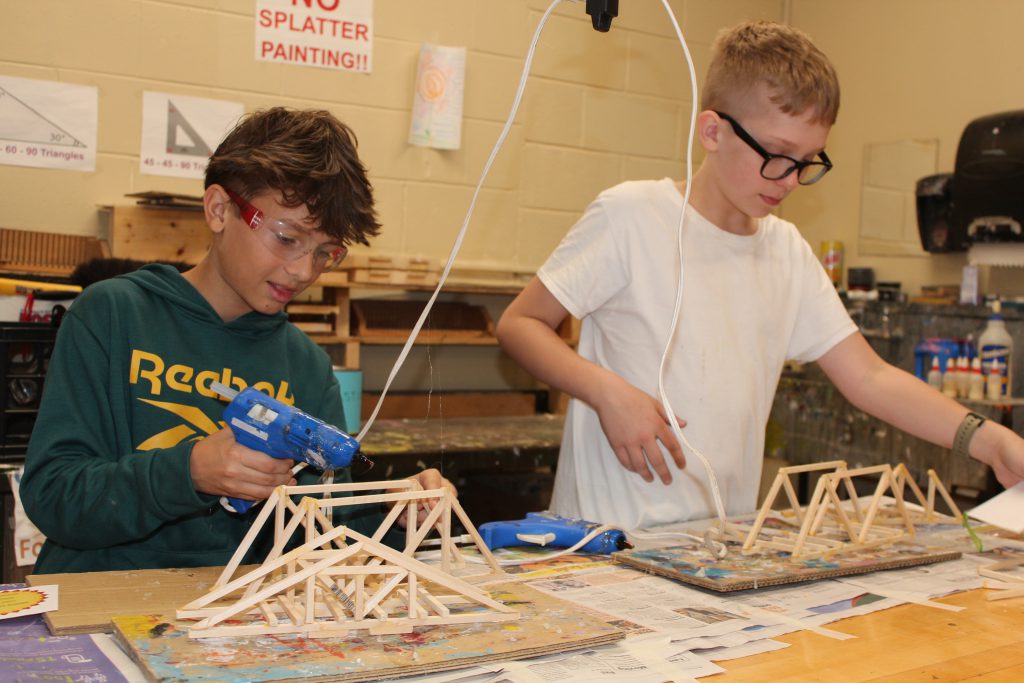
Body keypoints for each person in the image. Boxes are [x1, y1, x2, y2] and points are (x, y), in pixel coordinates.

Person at [496, 20, 1024, 531]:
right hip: (604, 540)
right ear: (713, 131)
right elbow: (520, 324)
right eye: (777, 155)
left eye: (808, 161)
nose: (791, 179)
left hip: (714, 551)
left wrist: (990, 440)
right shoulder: (630, 216)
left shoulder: (786, 253)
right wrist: (607, 392)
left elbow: (871, 378)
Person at [21, 107, 451, 573]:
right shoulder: (112, 314)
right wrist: (188, 472)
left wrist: (391, 511)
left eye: (326, 253)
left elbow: (322, 528)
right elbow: (53, 495)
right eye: (287, 238)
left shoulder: (304, 364)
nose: (304, 271)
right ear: (219, 209)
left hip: (230, 611)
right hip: (100, 599)